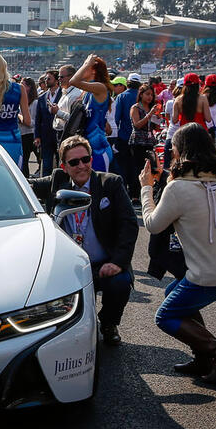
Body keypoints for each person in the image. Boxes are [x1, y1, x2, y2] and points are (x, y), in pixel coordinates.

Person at [140, 123, 216, 384]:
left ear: (180, 153)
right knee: (173, 294)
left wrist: (146, 187)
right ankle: (202, 356)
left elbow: (153, 224)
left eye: (173, 150)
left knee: (165, 316)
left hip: (208, 274)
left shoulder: (177, 188)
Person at [30, 135, 138, 345]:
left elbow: (129, 225)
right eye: (74, 162)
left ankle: (108, 323)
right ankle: (62, 331)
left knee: (120, 282)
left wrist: (117, 262)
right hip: (69, 266)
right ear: (64, 166)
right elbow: (24, 185)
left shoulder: (111, 183)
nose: (81, 166)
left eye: (86, 159)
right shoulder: (57, 181)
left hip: (104, 263)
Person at [69, 55, 116, 172]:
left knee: (99, 187)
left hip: (99, 150)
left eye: (85, 66)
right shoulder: (87, 92)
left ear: (93, 69)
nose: (82, 68)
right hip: (87, 149)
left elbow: (73, 81)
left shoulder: (100, 87)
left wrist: (87, 63)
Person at [127, 82, 164, 200]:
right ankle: (135, 195)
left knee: (151, 167)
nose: (150, 97)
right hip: (138, 141)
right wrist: (149, 115)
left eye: (152, 95)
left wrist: (157, 118)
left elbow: (155, 127)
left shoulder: (150, 108)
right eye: (147, 94)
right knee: (137, 168)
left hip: (149, 141)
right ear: (141, 94)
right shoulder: (135, 107)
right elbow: (137, 125)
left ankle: (148, 192)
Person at [35, 69, 61, 175]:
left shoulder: (64, 95)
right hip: (46, 136)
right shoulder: (42, 97)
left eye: (49, 78)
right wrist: (37, 136)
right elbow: (38, 118)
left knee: (61, 164)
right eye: (45, 78)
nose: (46, 81)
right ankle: (45, 188)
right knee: (46, 164)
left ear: (56, 80)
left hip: (59, 135)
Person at [18, 78, 38, 178]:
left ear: (29, 87)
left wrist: (21, 118)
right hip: (22, 134)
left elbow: (32, 123)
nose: (20, 86)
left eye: (23, 84)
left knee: (37, 158)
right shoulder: (20, 100)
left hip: (31, 135)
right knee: (24, 161)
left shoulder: (35, 103)